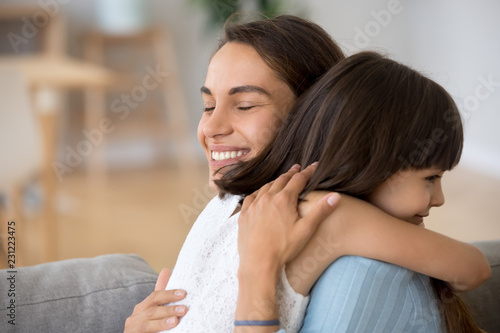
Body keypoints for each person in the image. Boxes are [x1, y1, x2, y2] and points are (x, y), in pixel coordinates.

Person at [124, 16, 490, 332]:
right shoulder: (232, 202)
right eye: (207, 105)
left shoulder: (328, 214)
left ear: (312, 113)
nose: (211, 126)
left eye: (245, 104)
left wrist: (259, 269)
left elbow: (471, 267)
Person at [228, 51, 488, 332]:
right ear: (369, 162)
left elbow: (475, 269)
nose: (440, 199)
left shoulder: (286, 208)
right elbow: (475, 269)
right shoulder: (331, 216)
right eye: (431, 177)